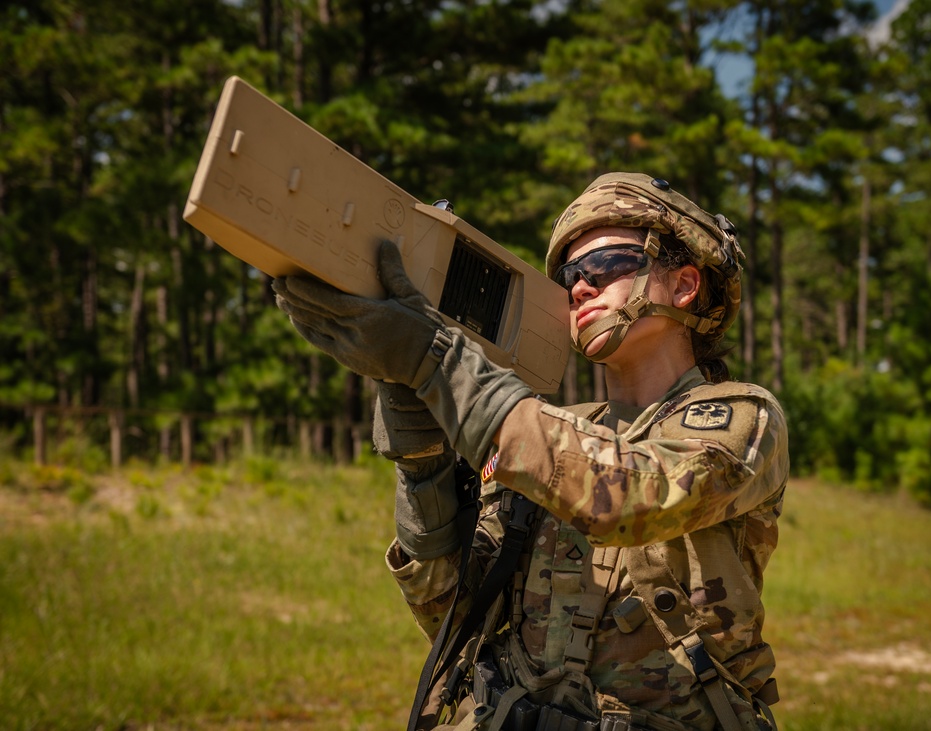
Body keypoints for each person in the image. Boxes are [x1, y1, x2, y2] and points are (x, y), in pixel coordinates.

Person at [272, 172, 789, 731]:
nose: (582, 287)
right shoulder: (548, 433)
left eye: (607, 265)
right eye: (569, 278)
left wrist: (439, 360)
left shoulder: (741, 417)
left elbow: (625, 495)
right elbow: (451, 612)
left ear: (685, 285)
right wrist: (421, 464)